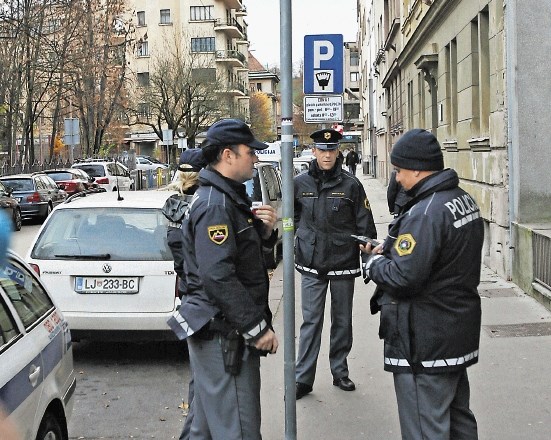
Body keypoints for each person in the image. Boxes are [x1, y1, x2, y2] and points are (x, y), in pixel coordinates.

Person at [361, 128, 484, 440]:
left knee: (424, 427)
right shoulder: (460, 199)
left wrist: (374, 263)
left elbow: (405, 277)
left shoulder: (425, 212)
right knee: (458, 421)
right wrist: (391, 250)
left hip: (424, 342)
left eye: (399, 171)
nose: (398, 179)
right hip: (454, 332)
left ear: (416, 168)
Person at [176, 118, 279, 439]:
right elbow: (217, 275)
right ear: (228, 155)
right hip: (226, 334)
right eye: (250, 152)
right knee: (239, 430)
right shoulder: (216, 205)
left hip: (220, 331)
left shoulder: (227, 199)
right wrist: (255, 327)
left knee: (203, 429)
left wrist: (264, 235)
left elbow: (238, 260)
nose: (256, 158)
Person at [294, 128, 377, 400]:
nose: (327, 155)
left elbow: (366, 225)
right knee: (311, 322)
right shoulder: (300, 184)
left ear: (337, 151)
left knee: (341, 321)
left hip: (343, 262)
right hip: (311, 262)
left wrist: (369, 261)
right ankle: (303, 378)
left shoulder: (352, 185)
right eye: (322, 150)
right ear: (314, 151)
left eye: (331, 150)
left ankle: (339, 371)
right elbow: (290, 221)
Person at [164, 147, 207, 440]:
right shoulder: (200, 205)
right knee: (203, 377)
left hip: (186, 290)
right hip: (201, 294)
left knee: (200, 374)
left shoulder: (173, 205)